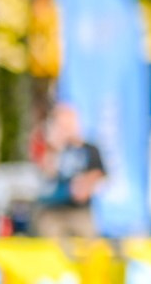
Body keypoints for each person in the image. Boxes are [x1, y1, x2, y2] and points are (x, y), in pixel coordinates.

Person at [34, 104, 106, 244]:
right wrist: (55, 146)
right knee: (53, 243)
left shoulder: (88, 149)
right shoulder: (52, 148)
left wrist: (85, 185)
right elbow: (46, 173)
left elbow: (99, 173)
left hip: (80, 210)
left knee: (92, 245)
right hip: (53, 210)